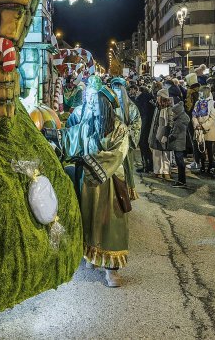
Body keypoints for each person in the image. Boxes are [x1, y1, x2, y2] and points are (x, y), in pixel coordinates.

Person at [77, 76, 133, 287]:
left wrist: (89, 162)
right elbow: (75, 139)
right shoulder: (89, 123)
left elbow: (117, 154)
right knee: (91, 220)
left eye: (95, 102)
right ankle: (93, 256)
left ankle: (111, 269)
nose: (91, 105)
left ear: (106, 106)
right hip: (90, 185)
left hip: (109, 181)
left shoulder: (120, 129)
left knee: (111, 225)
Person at [165, 94, 191, 188]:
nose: (173, 114)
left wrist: (169, 137)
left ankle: (181, 181)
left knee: (180, 162)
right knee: (180, 162)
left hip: (178, 144)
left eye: (174, 113)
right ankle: (181, 181)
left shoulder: (179, 122)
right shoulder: (183, 119)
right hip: (181, 143)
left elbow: (175, 134)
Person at [149, 89, 173, 180]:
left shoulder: (169, 108)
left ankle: (166, 172)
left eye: (158, 96)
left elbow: (170, 122)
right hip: (156, 133)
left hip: (164, 133)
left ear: (162, 97)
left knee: (166, 154)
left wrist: (166, 135)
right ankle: (158, 171)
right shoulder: (157, 107)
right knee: (157, 153)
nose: (157, 98)